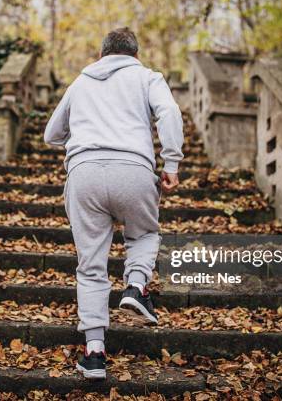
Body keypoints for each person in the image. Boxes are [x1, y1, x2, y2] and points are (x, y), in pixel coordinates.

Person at [44, 27, 184, 379]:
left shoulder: (80, 82)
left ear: (102, 54)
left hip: (84, 174)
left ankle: (93, 354)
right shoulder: (148, 77)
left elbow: (51, 135)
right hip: (134, 171)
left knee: (90, 265)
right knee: (144, 235)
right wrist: (171, 163)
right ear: (134, 55)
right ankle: (136, 286)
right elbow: (169, 113)